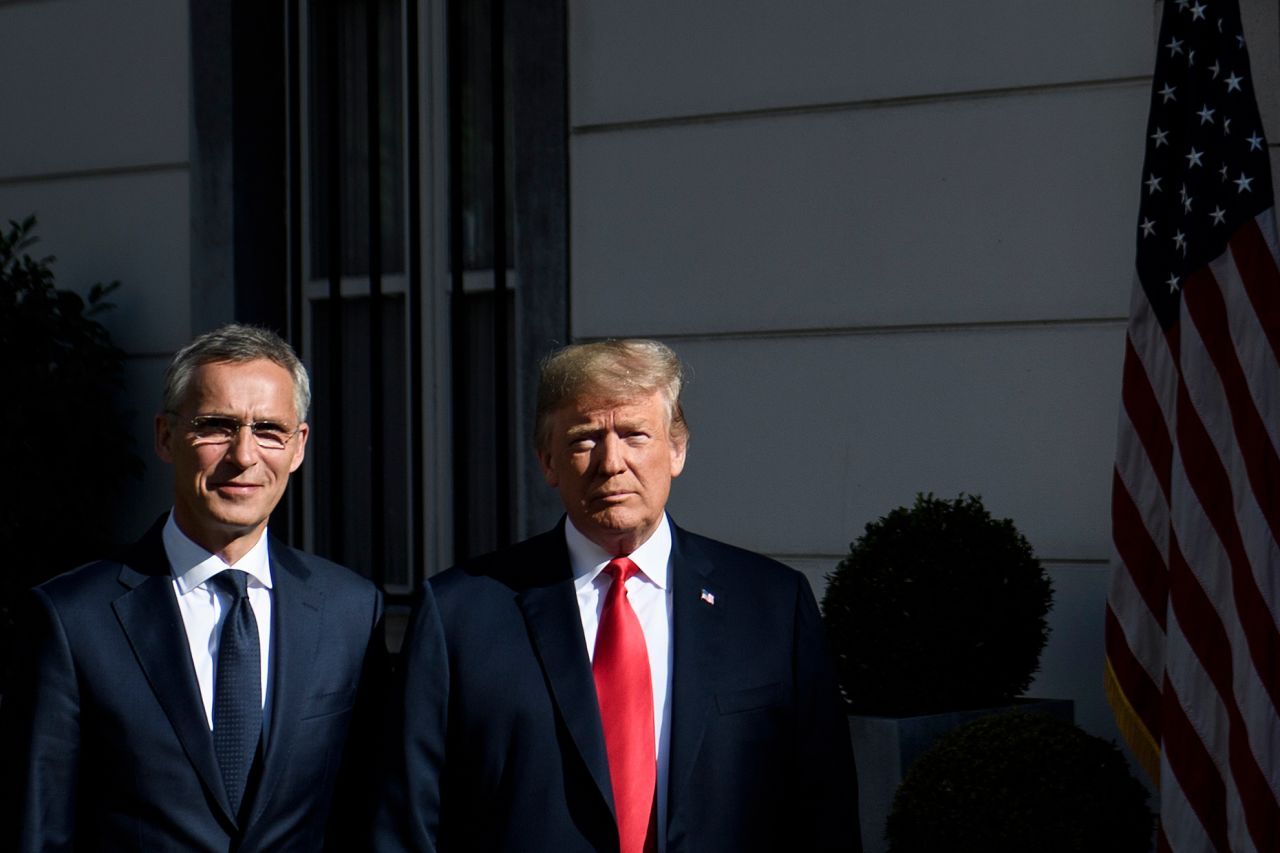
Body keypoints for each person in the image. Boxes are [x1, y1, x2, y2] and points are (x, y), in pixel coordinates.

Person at [376, 339, 859, 852]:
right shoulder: (461, 614)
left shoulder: (771, 605)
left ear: (677, 449)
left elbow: (823, 808)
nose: (612, 462)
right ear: (547, 461)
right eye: (585, 440)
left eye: (634, 435)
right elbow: (408, 820)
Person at [1, 324, 386, 851]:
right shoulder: (71, 619)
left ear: (298, 447)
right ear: (165, 436)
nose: (244, 455)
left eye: (269, 430)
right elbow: (38, 828)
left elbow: (371, 813)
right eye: (216, 426)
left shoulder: (352, 612)